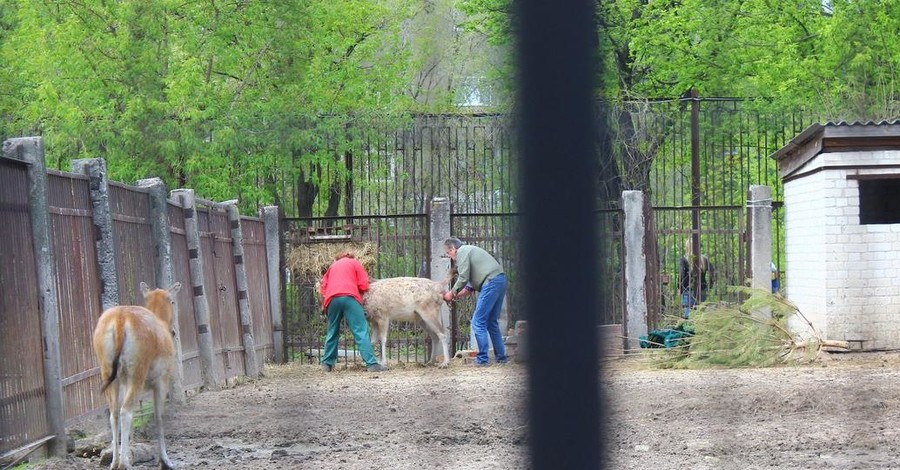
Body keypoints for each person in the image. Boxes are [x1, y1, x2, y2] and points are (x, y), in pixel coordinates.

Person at [442, 237, 508, 366]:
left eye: (448, 253)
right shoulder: (471, 252)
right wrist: (455, 295)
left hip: (491, 282)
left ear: (453, 249)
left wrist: (451, 293)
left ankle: (482, 360)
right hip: (499, 280)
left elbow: (463, 277)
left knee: (478, 322)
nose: (449, 256)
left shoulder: (463, 252)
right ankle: (502, 358)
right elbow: (469, 288)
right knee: (491, 322)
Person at [319, 251, 388, 372]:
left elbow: (323, 286)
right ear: (351, 257)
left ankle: (326, 364)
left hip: (332, 299)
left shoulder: (332, 266)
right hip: (350, 298)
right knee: (360, 330)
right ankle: (371, 364)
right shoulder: (354, 263)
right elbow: (363, 284)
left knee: (332, 331)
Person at [679, 238, 714, 319]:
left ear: (687, 247)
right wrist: (710, 285)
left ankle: (689, 331)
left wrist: (679, 289)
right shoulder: (704, 259)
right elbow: (713, 272)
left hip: (687, 290)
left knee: (688, 314)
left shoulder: (684, 259)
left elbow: (682, 275)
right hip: (702, 289)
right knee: (701, 314)